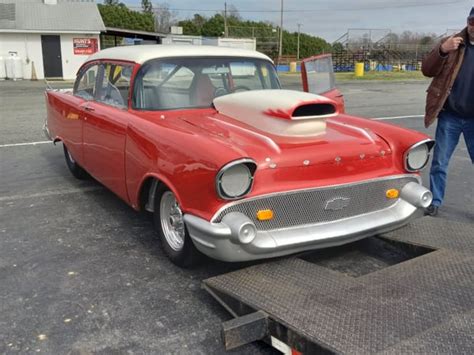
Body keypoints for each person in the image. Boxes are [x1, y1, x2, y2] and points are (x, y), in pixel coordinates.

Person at [422, 7, 474, 217]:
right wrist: (442, 50)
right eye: (472, 22)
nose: (473, 27)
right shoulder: (452, 43)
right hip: (450, 116)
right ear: (467, 21)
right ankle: (434, 202)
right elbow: (427, 69)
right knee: (440, 162)